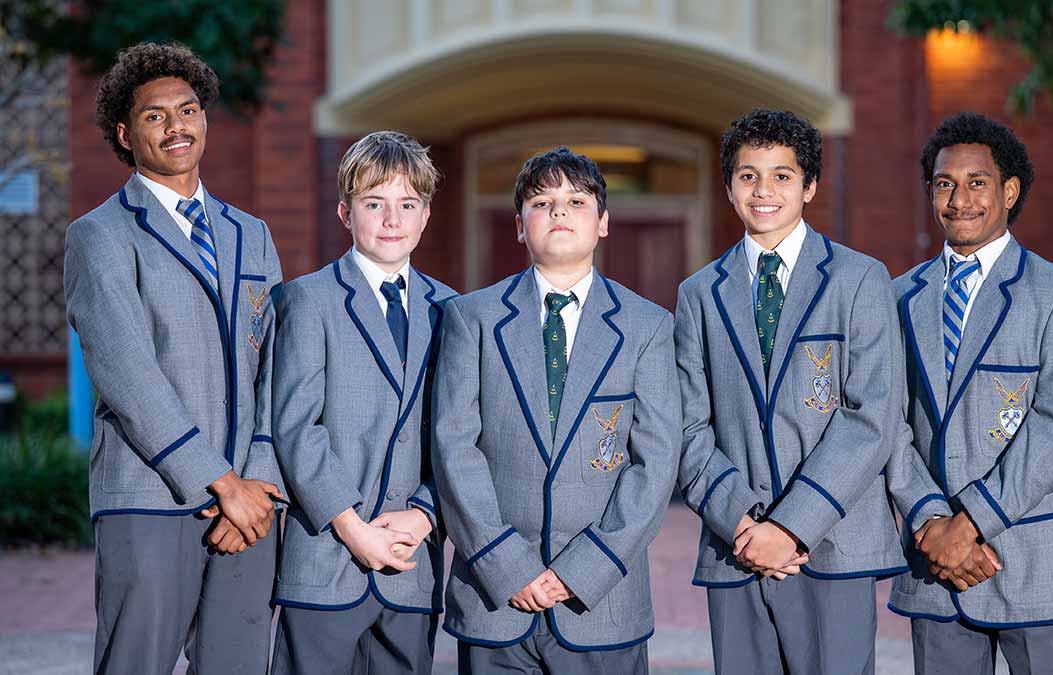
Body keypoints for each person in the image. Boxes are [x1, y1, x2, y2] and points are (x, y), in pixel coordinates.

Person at [64, 42, 283, 674]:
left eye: (187, 110)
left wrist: (256, 482)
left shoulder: (252, 234)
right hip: (148, 496)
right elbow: (128, 375)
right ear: (126, 134)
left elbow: (277, 367)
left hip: (251, 504)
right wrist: (221, 482)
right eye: (156, 116)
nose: (176, 126)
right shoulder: (100, 235)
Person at [674, 108, 908, 674]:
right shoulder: (699, 293)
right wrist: (744, 523)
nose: (764, 190)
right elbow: (686, 424)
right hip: (737, 545)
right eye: (748, 175)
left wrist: (792, 525)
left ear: (810, 187)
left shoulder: (858, 278)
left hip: (834, 542)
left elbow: (873, 414)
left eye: (782, 175)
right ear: (729, 188)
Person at [432, 147, 682, 673]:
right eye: (542, 202)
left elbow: (654, 463)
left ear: (603, 222)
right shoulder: (470, 319)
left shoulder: (648, 326)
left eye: (576, 201)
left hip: (602, 601)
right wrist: (505, 565)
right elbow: (455, 448)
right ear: (520, 226)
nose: (559, 212)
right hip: (494, 598)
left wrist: (585, 571)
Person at [887, 112, 1053, 675]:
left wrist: (971, 524)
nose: (960, 199)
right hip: (934, 568)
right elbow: (886, 423)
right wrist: (933, 523)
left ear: (1010, 191)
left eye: (977, 182)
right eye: (944, 184)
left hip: (1033, 562)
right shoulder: (896, 298)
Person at [270, 131, 455, 674]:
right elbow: (296, 428)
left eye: (407, 205)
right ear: (346, 213)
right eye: (374, 204)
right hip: (326, 557)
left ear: (425, 216)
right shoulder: (307, 300)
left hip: (410, 563)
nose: (391, 219)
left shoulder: (453, 311)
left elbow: (462, 436)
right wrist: (353, 527)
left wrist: (424, 516)